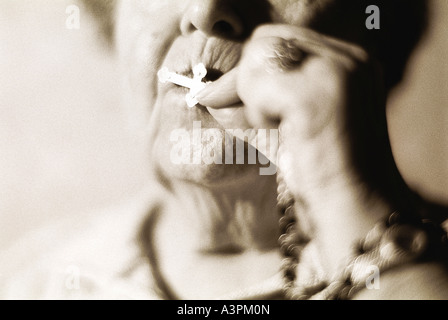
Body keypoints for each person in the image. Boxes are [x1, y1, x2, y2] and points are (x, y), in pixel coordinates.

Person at [1, 0, 447, 300]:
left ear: (386, 32)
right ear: (109, 22)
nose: (208, 9)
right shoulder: (29, 280)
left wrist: (354, 212)